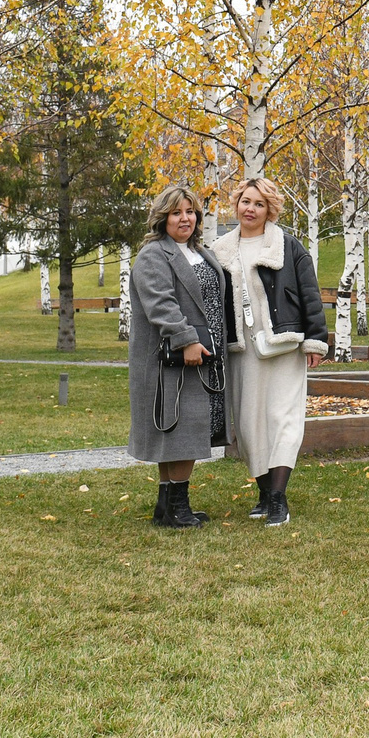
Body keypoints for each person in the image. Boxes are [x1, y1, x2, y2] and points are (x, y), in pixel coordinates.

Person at [212, 176, 328, 527]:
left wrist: (315, 340)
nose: (251, 209)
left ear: (270, 210)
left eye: (259, 204)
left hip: (284, 347)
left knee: (284, 421)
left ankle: (278, 499)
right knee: (248, 426)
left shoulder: (288, 247)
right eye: (246, 201)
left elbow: (310, 293)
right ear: (237, 204)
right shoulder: (219, 250)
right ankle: (264, 493)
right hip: (241, 350)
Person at [128, 184, 230, 529]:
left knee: (178, 430)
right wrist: (186, 340)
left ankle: (166, 505)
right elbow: (160, 303)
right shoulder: (154, 255)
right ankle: (178, 508)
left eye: (190, 211)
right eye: (176, 213)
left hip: (203, 357)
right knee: (179, 429)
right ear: (162, 218)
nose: (184, 218)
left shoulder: (200, 251)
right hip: (169, 360)